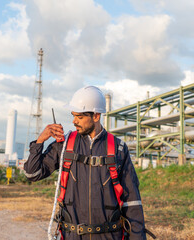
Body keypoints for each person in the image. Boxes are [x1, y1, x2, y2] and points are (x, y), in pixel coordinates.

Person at [24, 86, 147, 240]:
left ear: (96, 116)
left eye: (80, 117)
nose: (74, 121)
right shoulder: (65, 145)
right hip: (73, 236)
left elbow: (132, 200)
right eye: (73, 115)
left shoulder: (118, 148)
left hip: (109, 236)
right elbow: (32, 174)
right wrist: (40, 141)